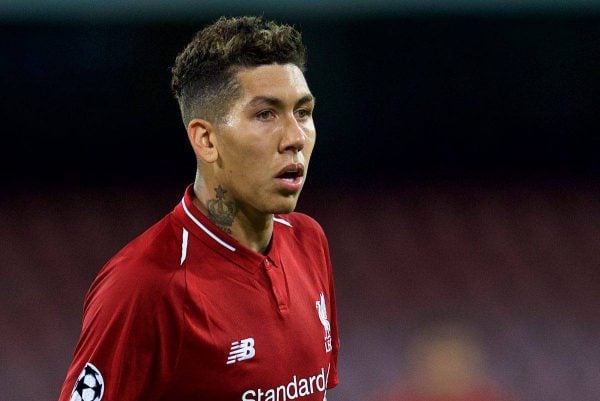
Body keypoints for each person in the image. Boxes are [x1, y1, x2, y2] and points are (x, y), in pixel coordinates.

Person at [58, 16, 339, 401]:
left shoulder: (309, 242)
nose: (294, 137)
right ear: (206, 140)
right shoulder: (143, 287)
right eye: (265, 115)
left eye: (303, 113)